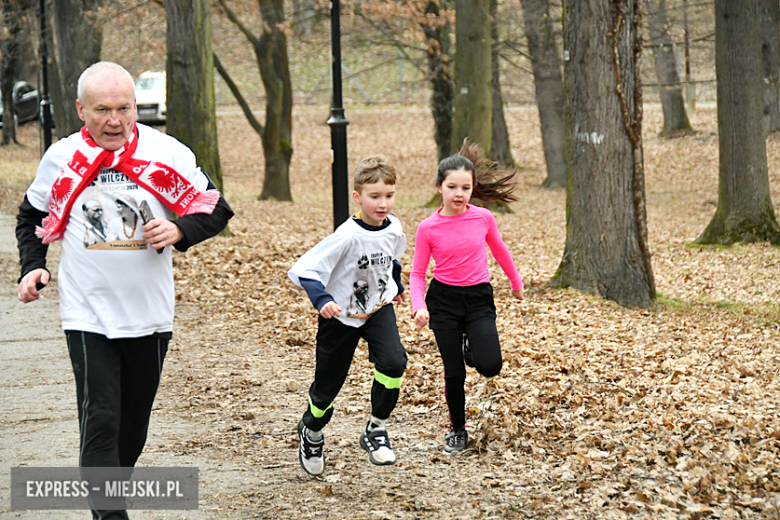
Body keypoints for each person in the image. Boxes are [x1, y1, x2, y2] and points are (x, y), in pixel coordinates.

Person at [15, 61, 233, 519]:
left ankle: (108, 494)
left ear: (136, 106)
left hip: (150, 313)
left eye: (124, 108)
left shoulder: (166, 151)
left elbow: (215, 209)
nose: (114, 121)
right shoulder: (62, 158)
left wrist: (179, 230)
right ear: (80, 110)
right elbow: (31, 216)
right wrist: (32, 268)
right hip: (86, 313)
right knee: (101, 418)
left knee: (132, 428)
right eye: (102, 110)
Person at [287, 156, 407, 476]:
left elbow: (393, 258)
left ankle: (376, 429)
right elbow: (306, 270)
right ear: (358, 197)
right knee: (327, 388)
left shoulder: (394, 226)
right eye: (375, 196)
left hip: (378, 309)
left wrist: (397, 284)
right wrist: (322, 299)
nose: (383, 204)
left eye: (389, 195)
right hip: (340, 316)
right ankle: (312, 431)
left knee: (395, 362)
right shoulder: (347, 235)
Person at [409, 142, 524, 456]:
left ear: (473, 189)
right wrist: (419, 307)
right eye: (452, 187)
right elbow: (418, 273)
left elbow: (499, 249)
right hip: (443, 302)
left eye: (465, 188)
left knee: (490, 366)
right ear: (440, 188)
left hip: (477, 299)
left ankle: (469, 344)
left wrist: (516, 282)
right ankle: (458, 430)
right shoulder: (427, 227)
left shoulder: (483, 218)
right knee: (454, 372)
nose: (459, 194)